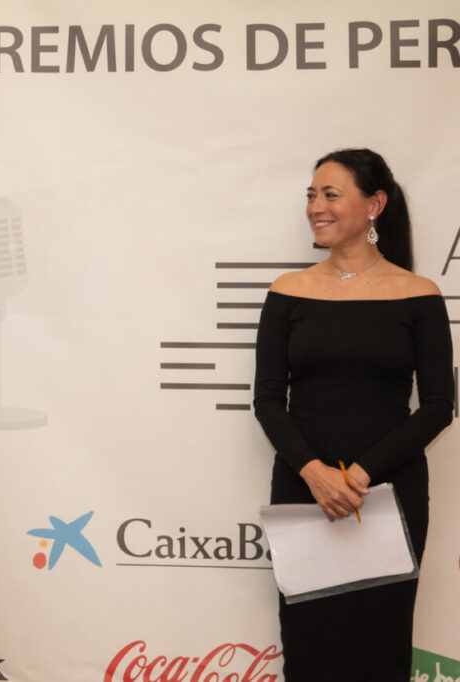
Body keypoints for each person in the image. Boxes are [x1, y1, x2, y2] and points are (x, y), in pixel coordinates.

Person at [253, 148, 454, 681]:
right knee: (310, 644)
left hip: (387, 495)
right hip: (304, 489)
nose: (316, 206)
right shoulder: (287, 291)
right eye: (311, 195)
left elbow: (438, 406)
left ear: (375, 204)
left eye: (331, 194)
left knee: (379, 645)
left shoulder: (419, 295)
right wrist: (315, 473)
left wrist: (358, 476)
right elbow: (268, 399)